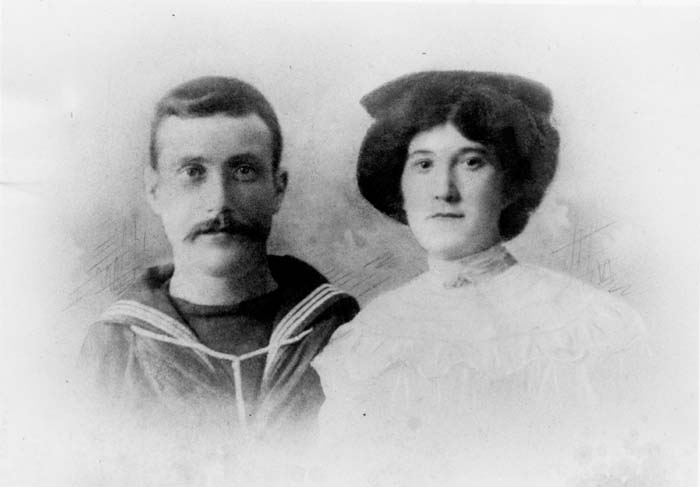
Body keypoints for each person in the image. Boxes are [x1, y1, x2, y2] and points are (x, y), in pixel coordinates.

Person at [311, 71, 649, 486]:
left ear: (510, 182)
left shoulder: (587, 328)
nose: (444, 190)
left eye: (472, 162)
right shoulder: (368, 340)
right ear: (400, 183)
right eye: (423, 164)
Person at [78, 77, 359, 447]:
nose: (219, 202)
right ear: (154, 190)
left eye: (243, 170)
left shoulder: (340, 331)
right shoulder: (116, 348)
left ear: (278, 188)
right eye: (193, 172)